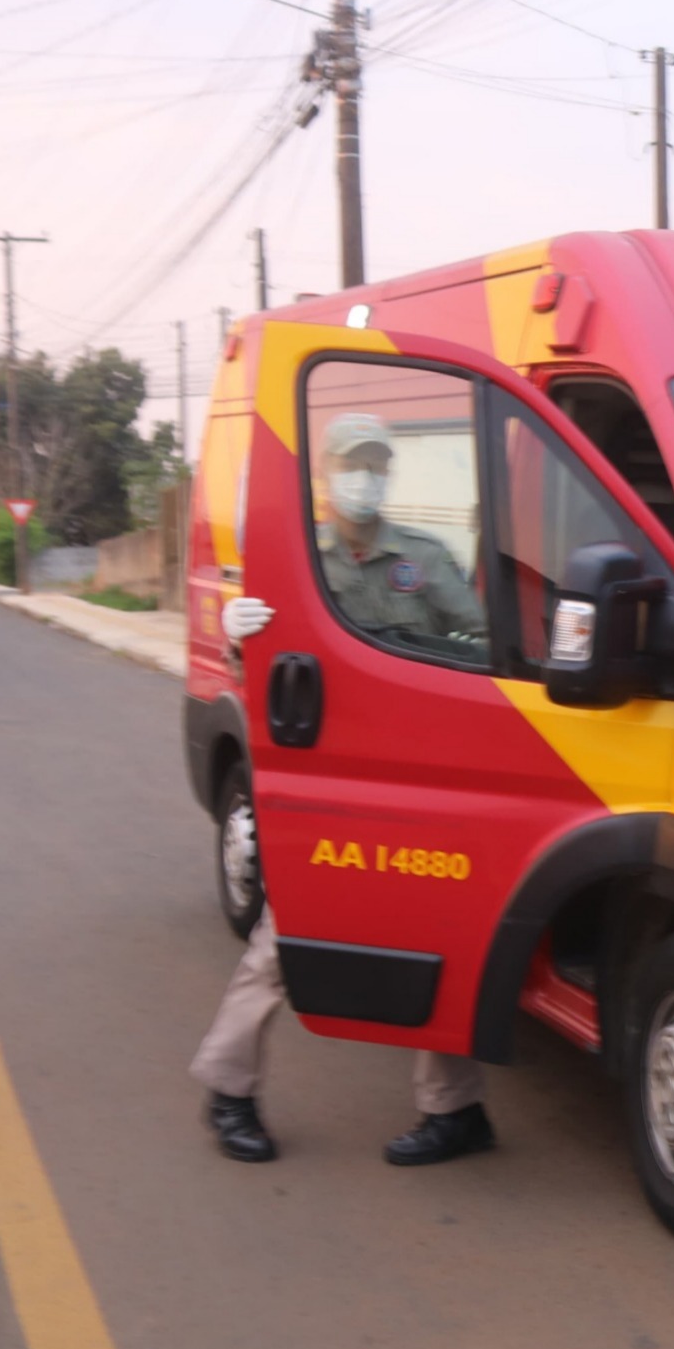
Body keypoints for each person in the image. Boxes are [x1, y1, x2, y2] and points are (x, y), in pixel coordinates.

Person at [189, 413, 495, 1167]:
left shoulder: (421, 559)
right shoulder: (294, 562)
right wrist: (235, 634)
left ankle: (455, 1112)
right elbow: (259, 667)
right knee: (288, 939)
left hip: (420, 780)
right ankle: (229, 1092)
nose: (369, 476)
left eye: (378, 464)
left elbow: (482, 641)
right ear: (325, 477)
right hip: (329, 779)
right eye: (354, 464)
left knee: (436, 938)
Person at [310, 414, 484, 647]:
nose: (364, 478)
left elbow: (481, 637)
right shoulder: (304, 554)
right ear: (324, 471)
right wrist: (242, 646)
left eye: (376, 467)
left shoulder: (425, 555)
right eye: (349, 466)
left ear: (388, 474)